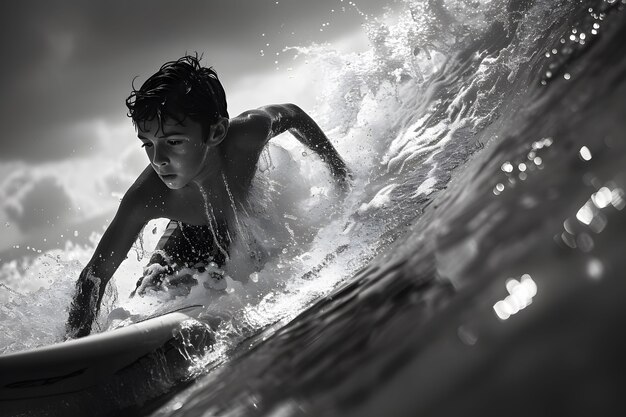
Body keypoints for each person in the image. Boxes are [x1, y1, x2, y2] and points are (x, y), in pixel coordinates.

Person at [65, 54, 351, 338]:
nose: (158, 159)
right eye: (148, 144)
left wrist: (339, 171)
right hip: (187, 237)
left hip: (241, 221)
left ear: (216, 132)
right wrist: (74, 342)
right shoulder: (146, 196)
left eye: (173, 141)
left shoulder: (247, 135)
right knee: (151, 291)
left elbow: (294, 114)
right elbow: (94, 275)